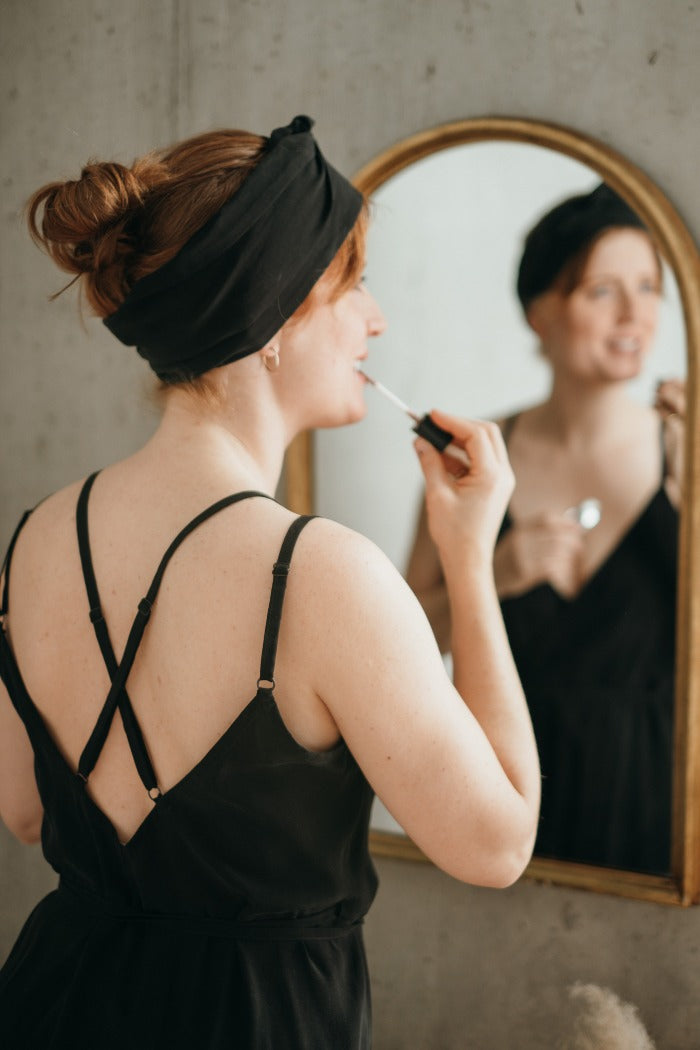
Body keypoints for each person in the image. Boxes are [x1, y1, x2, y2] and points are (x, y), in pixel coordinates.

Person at [0, 116, 540, 1049]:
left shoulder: (39, 535)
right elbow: (496, 846)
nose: (374, 319)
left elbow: (25, 811)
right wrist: (470, 557)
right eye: (354, 285)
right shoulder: (324, 574)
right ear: (280, 316)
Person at [407, 183, 683, 875]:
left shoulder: (689, 450)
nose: (635, 314)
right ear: (541, 313)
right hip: (507, 795)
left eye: (649, 287)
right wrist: (494, 574)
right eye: (602, 291)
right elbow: (403, 647)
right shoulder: (474, 458)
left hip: (663, 805)